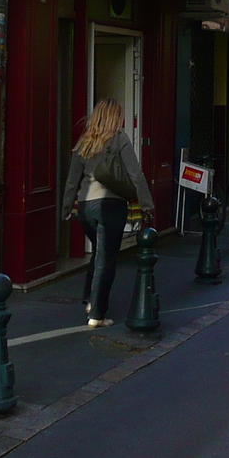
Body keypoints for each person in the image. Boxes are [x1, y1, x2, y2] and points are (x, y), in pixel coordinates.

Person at [62, 98, 155, 327]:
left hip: (85, 208)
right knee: (106, 259)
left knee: (98, 253)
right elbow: (136, 175)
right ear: (115, 117)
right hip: (110, 206)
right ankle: (97, 314)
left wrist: (66, 209)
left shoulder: (84, 142)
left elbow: (72, 180)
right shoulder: (120, 139)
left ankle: (90, 298)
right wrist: (146, 204)